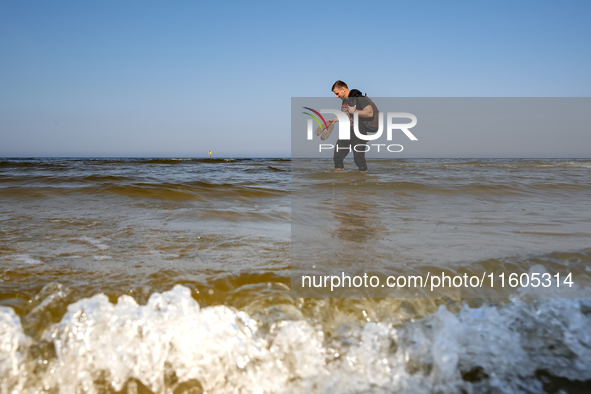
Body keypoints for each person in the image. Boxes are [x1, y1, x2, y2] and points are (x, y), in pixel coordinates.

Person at [328, 80, 375, 172]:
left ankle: (363, 182)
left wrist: (355, 111)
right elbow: (346, 114)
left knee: (359, 160)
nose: (336, 96)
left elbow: (370, 113)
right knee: (337, 157)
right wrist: (335, 119)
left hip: (358, 132)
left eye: (337, 93)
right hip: (345, 132)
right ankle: (340, 181)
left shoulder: (359, 97)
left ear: (343, 89)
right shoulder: (345, 100)